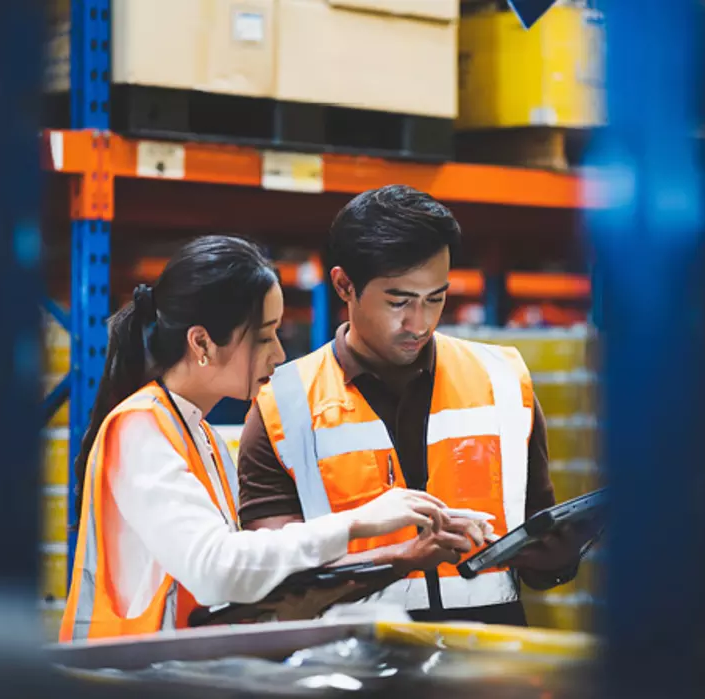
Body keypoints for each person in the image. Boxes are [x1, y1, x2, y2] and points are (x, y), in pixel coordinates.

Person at [59, 235, 461, 643]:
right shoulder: (139, 428)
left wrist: (391, 558)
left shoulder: (199, 434)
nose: (279, 354)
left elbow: (237, 578)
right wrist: (356, 523)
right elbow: (216, 569)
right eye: (265, 335)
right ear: (201, 343)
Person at [238, 185, 591, 626]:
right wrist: (402, 558)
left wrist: (557, 555)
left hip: (485, 668)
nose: (419, 323)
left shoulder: (502, 380)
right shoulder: (282, 407)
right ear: (345, 285)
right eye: (399, 301)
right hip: (353, 672)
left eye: (435, 299)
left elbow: (539, 556)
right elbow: (271, 579)